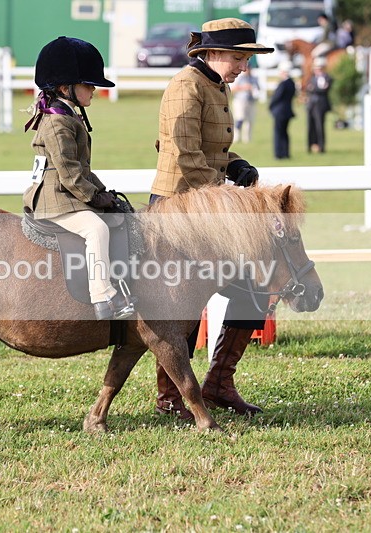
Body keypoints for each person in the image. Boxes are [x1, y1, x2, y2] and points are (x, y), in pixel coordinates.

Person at [151, 18, 274, 418]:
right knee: (181, 304)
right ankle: (171, 397)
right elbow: (186, 156)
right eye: (238, 58)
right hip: (178, 210)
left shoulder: (216, 84)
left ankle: (219, 383)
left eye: (246, 59)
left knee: (254, 285)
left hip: (208, 207)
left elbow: (211, 151)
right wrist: (228, 200)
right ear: (213, 53)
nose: (244, 67)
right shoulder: (185, 86)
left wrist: (236, 164)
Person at [22, 36, 134, 321]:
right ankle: (103, 295)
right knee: (96, 229)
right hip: (54, 198)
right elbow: (69, 171)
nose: (94, 89)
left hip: (66, 192)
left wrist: (103, 191)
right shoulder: (57, 121)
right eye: (88, 84)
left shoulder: (69, 116)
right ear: (65, 88)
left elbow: (83, 170)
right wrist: (95, 198)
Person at [269, 61, 296, 159]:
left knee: (278, 133)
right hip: (287, 111)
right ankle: (286, 153)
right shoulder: (292, 83)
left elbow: (276, 97)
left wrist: (270, 106)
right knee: (285, 133)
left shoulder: (283, 84)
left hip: (280, 112)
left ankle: (279, 153)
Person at [305, 57, 332, 154]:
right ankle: (310, 145)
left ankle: (321, 146)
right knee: (310, 126)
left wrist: (313, 89)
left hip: (320, 105)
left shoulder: (327, 78)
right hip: (311, 104)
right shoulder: (312, 78)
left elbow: (323, 90)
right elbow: (308, 89)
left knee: (320, 126)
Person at [230, 65, 259, 143]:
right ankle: (236, 137)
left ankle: (247, 138)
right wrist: (244, 87)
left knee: (249, 120)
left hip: (251, 101)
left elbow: (258, 88)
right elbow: (232, 89)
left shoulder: (254, 78)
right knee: (240, 118)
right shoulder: (239, 78)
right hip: (240, 101)